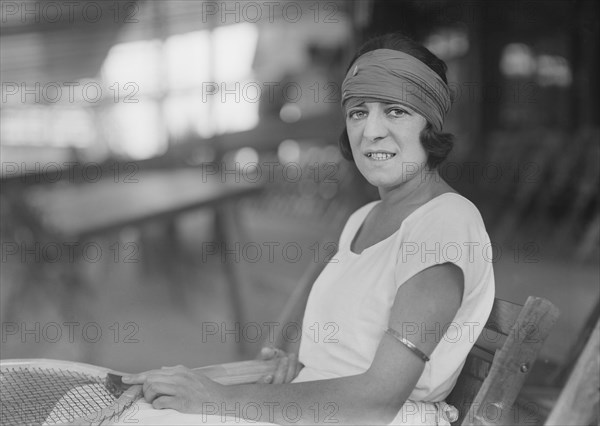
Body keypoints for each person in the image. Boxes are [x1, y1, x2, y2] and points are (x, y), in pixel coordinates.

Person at [121, 32, 495, 426]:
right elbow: (341, 349)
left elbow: (379, 399)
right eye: (358, 112)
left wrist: (219, 397)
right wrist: (295, 360)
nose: (371, 131)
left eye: (395, 111)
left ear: (430, 123)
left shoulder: (446, 223)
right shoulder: (360, 220)